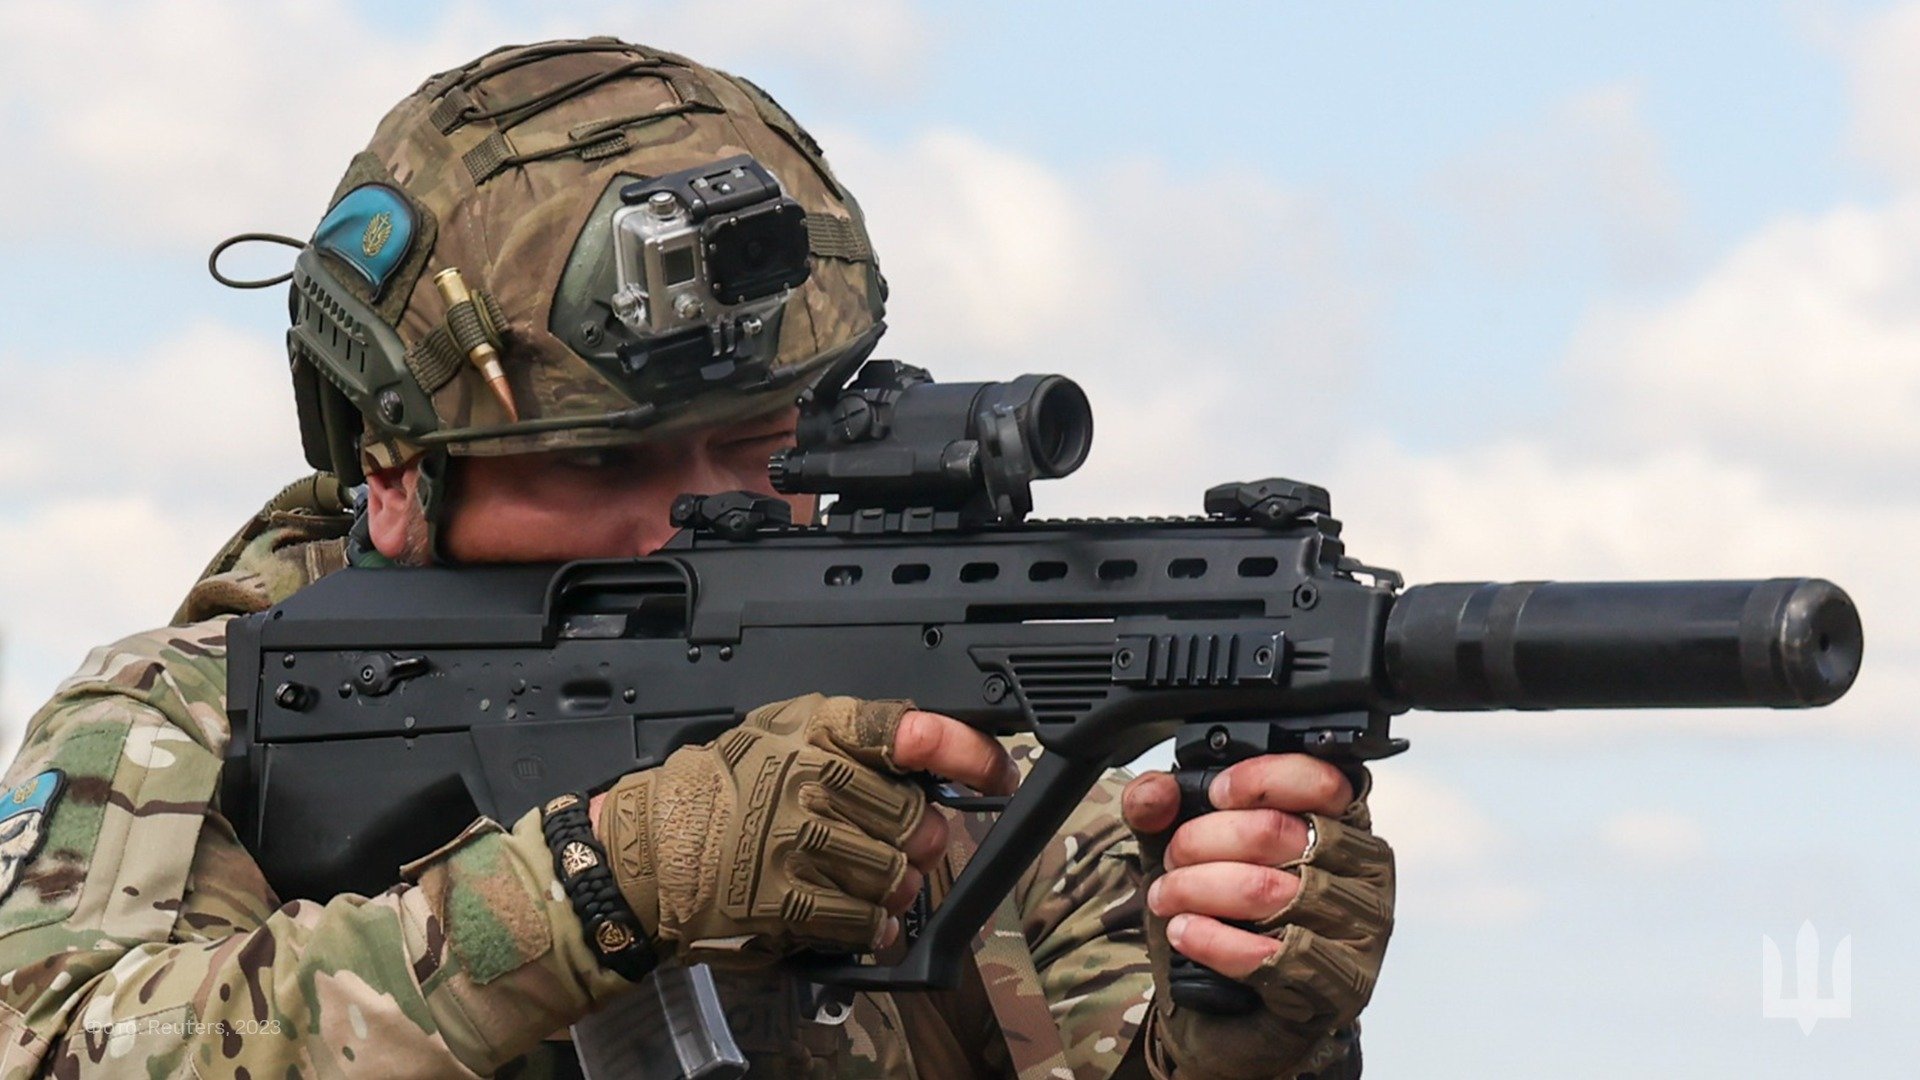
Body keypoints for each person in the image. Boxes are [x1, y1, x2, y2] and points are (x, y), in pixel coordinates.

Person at [0, 38, 1392, 1080]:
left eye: (764, 444)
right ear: (394, 474)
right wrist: (607, 883)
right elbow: (55, 1047)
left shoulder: (972, 747)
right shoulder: (198, 719)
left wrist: (1244, 1041)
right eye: (603, 466)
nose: (702, 514)